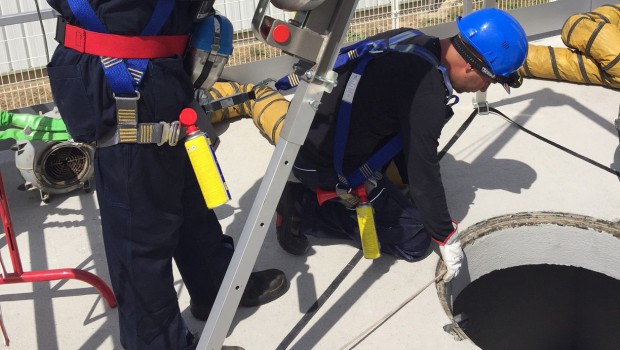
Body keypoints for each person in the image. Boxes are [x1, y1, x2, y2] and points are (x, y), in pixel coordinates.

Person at [45, 1, 288, 349]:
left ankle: (214, 286)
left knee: (185, 194)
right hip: (125, 74)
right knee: (140, 235)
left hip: (153, 65)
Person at [275, 8, 528, 282]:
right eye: (487, 80)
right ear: (471, 66)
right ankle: (304, 206)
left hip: (312, 135)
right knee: (416, 237)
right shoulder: (427, 92)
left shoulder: (411, 40)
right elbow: (423, 172)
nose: (482, 90)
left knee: (405, 186)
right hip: (320, 164)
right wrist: (444, 235)